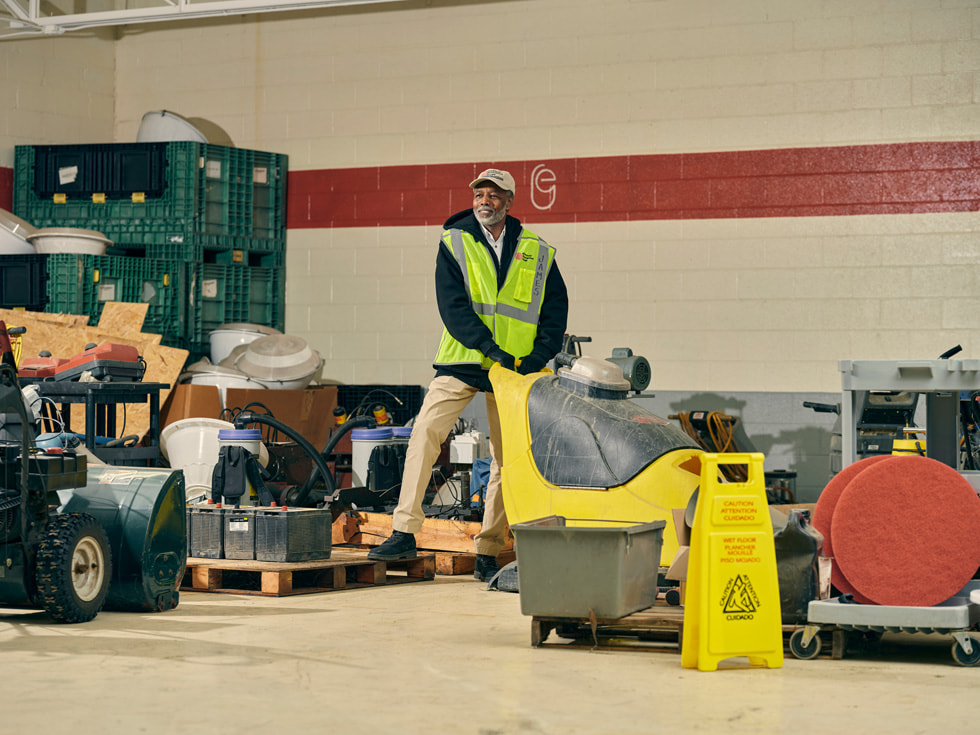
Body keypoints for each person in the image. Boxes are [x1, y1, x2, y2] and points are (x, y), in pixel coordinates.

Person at [368, 167, 569, 582]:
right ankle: (405, 530)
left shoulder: (538, 251)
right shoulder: (454, 241)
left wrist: (537, 356)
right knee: (424, 433)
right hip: (463, 359)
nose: (485, 201)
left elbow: (554, 311)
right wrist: (488, 347)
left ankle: (488, 550)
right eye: (479, 194)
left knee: (505, 460)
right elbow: (453, 305)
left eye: (494, 195)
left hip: (514, 369)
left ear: (510, 202)